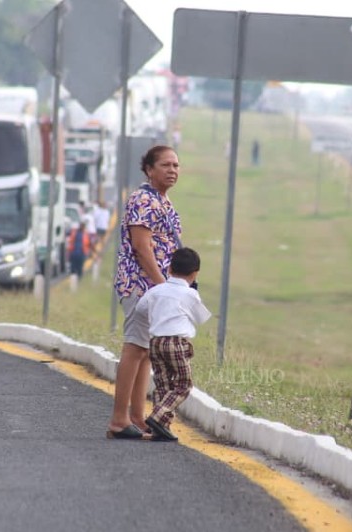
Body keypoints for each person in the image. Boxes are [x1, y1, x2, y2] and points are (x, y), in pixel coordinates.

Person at [106, 145, 182, 440]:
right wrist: (163, 287)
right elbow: (142, 246)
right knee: (135, 347)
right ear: (149, 169)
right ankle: (118, 419)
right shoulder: (143, 199)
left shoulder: (162, 201)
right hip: (141, 285)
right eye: (165, 165)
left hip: (154, 287)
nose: (173, 170)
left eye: (176, 165)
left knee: (146, 352)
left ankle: (136, 418)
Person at [135, 247, 211, 442]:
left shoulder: (156, 290)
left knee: (163, 384)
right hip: (176, 342)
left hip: (155, 342)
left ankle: (160, 429)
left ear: (168, 269)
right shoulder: (190, 295)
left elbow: (140, 309)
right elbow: (201, 318)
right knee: (183, 385)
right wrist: (195, 294)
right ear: (195, 274)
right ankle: (158, 418)